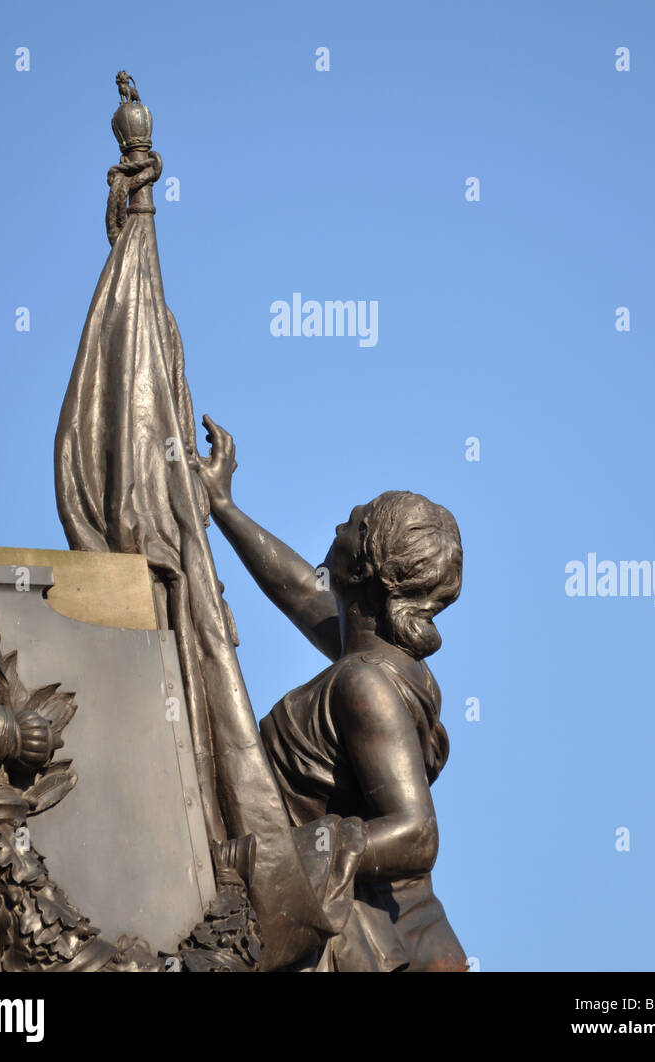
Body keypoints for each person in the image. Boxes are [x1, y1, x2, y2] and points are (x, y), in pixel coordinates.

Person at [196, 415, 468, 972]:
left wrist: (287, 854)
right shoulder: (378, 657)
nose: (338, 526)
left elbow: (418, 834)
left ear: (365, 566)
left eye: (351, 523)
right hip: (400, 930)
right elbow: (301, 590)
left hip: (377, 944)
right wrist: (221, 507)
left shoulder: (364, 684)